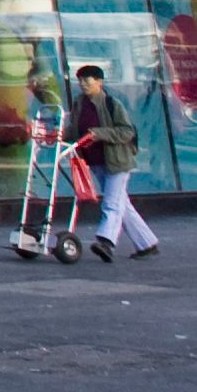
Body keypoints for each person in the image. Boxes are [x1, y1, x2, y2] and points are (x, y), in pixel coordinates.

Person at [69, 64, 158, 260]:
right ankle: (147, 243)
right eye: (81, 80)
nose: (83, 84)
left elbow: (127, 131)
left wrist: (99, 134)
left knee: (111, 202)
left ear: (99, 82)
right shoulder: (79, 104)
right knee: (121, 203)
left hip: (117, 161)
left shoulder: (112, 103)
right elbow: (75, 131)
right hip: (96, 161)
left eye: (87, 80)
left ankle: (106, 242)